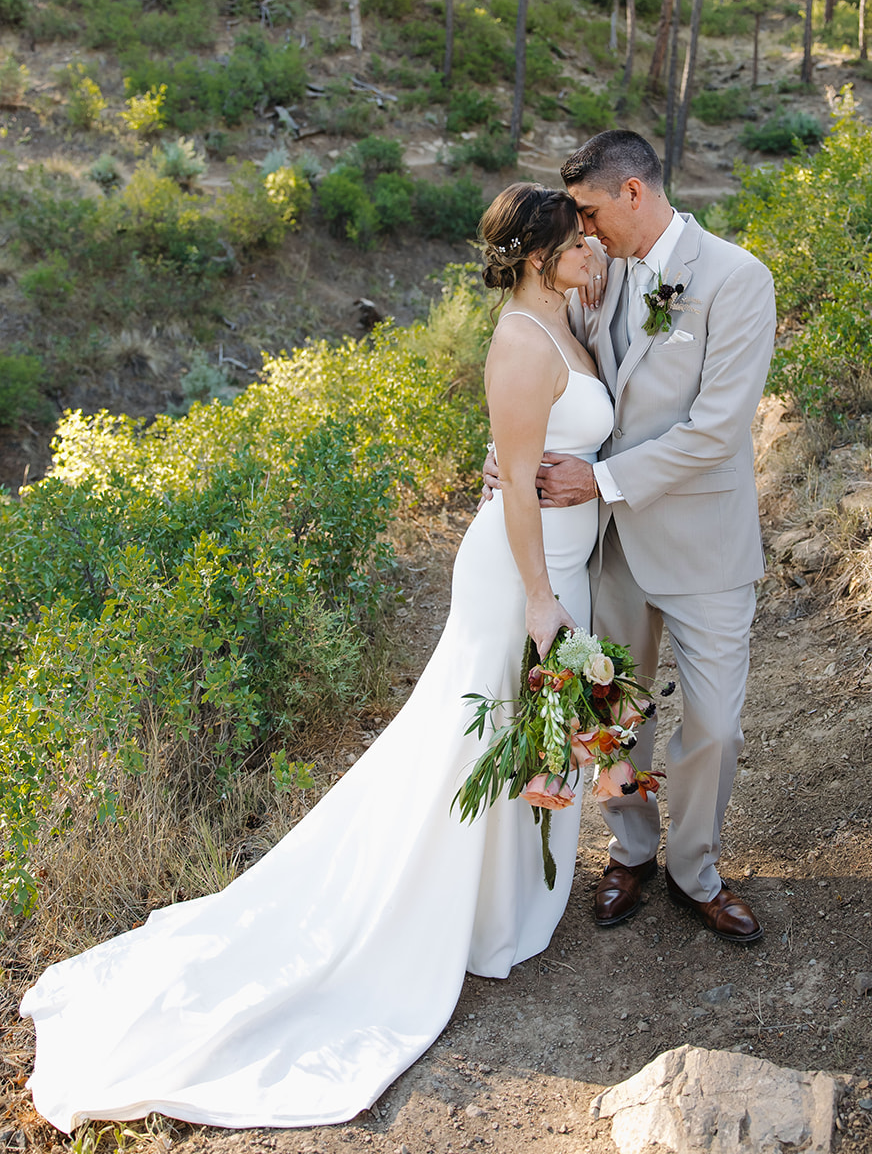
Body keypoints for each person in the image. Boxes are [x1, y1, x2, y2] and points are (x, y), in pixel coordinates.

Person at [20, 184, 614, 1134]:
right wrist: (542, 600)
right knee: (469, 739)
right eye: (579, 240)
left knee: (516, 732)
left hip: (563, 564)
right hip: (519, 576)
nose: (595, 249)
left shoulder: (573, 322)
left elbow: (539, 454)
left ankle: (507, 905)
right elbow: (507, 493)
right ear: (541, 255)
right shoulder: (519, 340)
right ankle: (425, 916)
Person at [538, 130, 775, 942]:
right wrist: (511, 458)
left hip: (703, 542)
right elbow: (555, 378)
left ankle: (695, 870)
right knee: (613, 713)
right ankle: (631, 851)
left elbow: (716, 429)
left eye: (590, 211)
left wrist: (599, 479)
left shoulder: (737, 279)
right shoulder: (593, 278)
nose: (584, 230)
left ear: (633, 193)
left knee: (715, 722)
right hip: (609, 546)